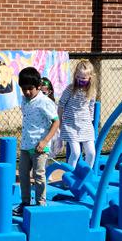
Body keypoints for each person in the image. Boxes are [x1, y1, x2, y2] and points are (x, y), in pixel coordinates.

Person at [15, 66, 60, 213]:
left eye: (30, 88)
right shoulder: (24, 100)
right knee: (23, 174)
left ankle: (41, 203)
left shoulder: (44, 102)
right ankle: (25, 202)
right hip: (26, 145)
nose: (27, 92)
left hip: (40, 146)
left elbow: (56, 121)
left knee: (39, 175)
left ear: (38, 87)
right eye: (24, 89)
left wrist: (45, 141)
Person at [58, 59, 97, 168]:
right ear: (75, 75)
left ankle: (86, 176)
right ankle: (69, 176)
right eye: (78, 77)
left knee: (91, 153)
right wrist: (60, 123)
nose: (80, 80)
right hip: (71, 125)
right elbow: (61, 105)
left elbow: (91, 107)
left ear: (90, 77)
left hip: (85, 125)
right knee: (75, 153)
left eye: (83, 78)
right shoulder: (70, 89)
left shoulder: (92, 91)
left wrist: (90, 121)